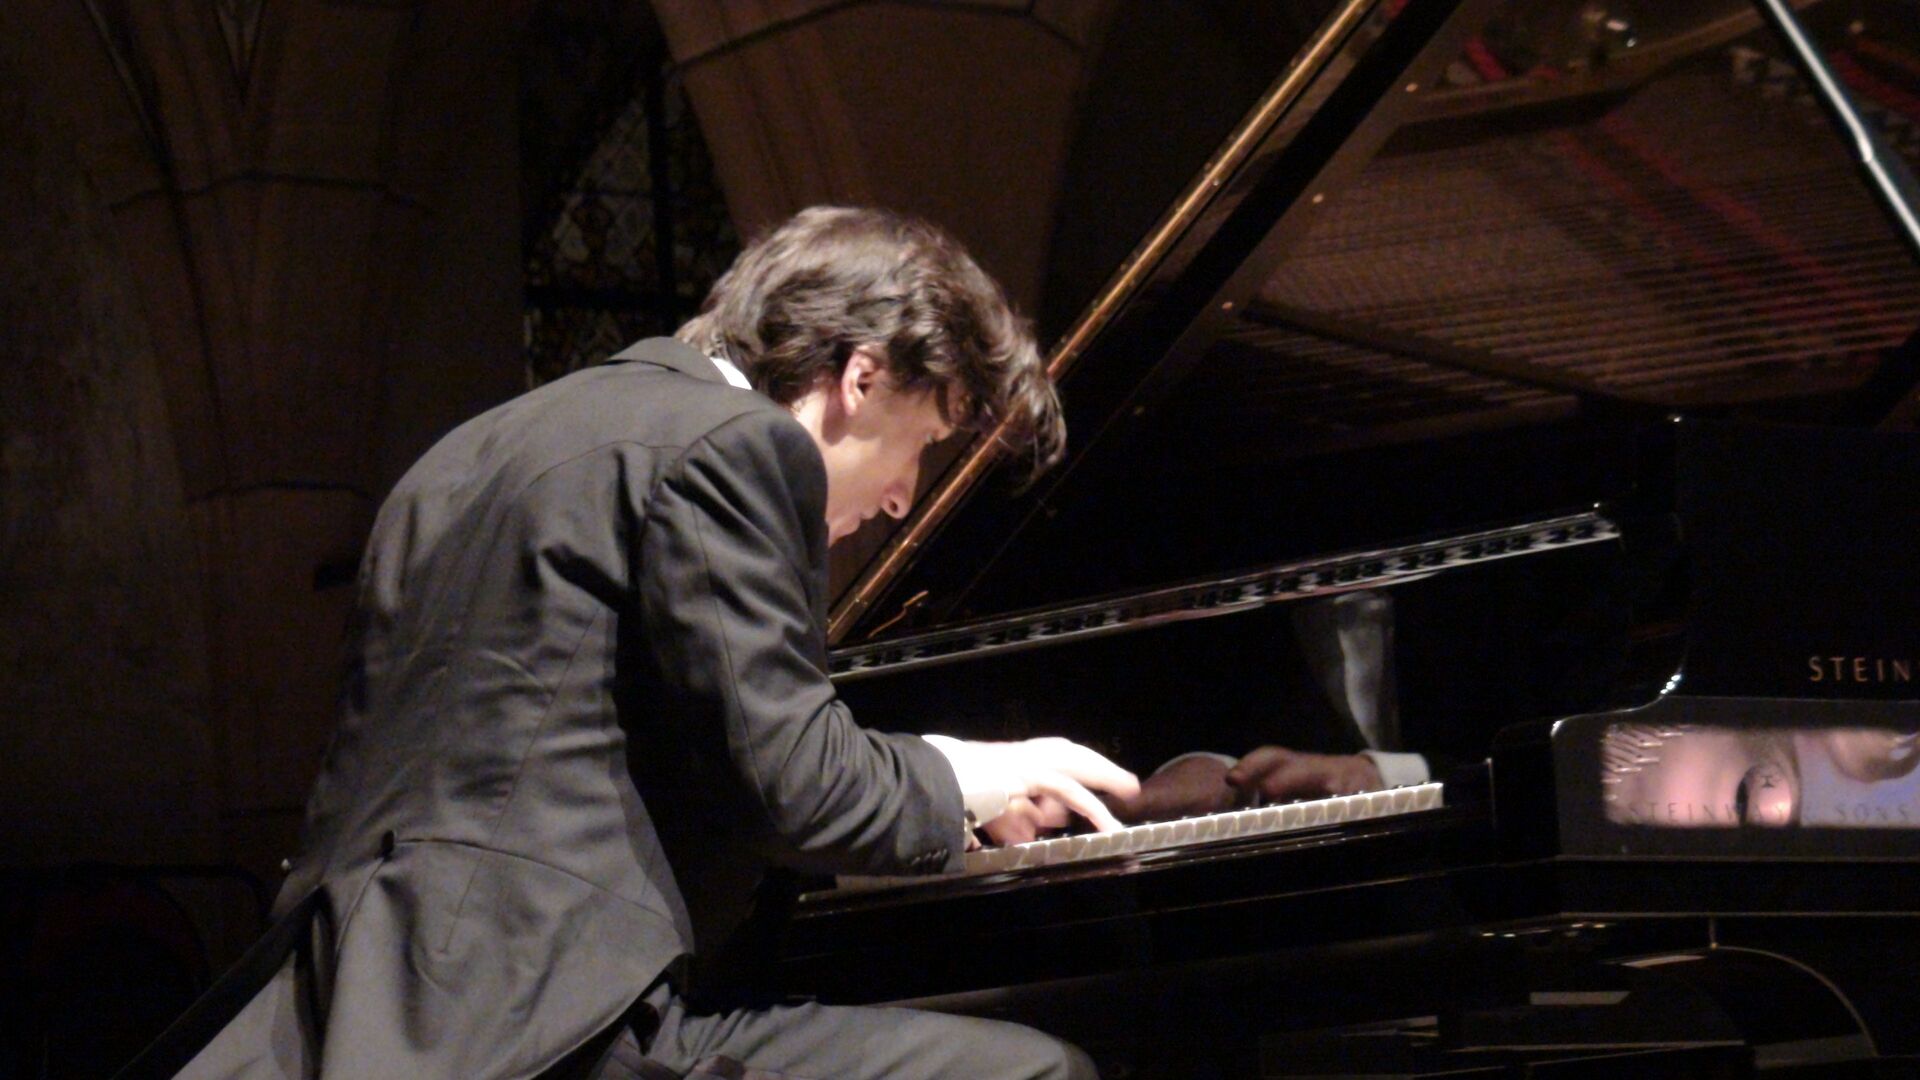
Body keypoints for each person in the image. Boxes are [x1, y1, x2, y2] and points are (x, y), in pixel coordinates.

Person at [178, 206, 1138, 1079]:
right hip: (543, 1027)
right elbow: (798, 786)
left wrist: (945, 807)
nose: (902, 498)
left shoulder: (460, 457)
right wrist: (972, 774)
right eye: (922, 442)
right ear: (862, 375)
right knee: (1038, 1073)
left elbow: (553, 765)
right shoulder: (735, 444)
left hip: (351, 1015)